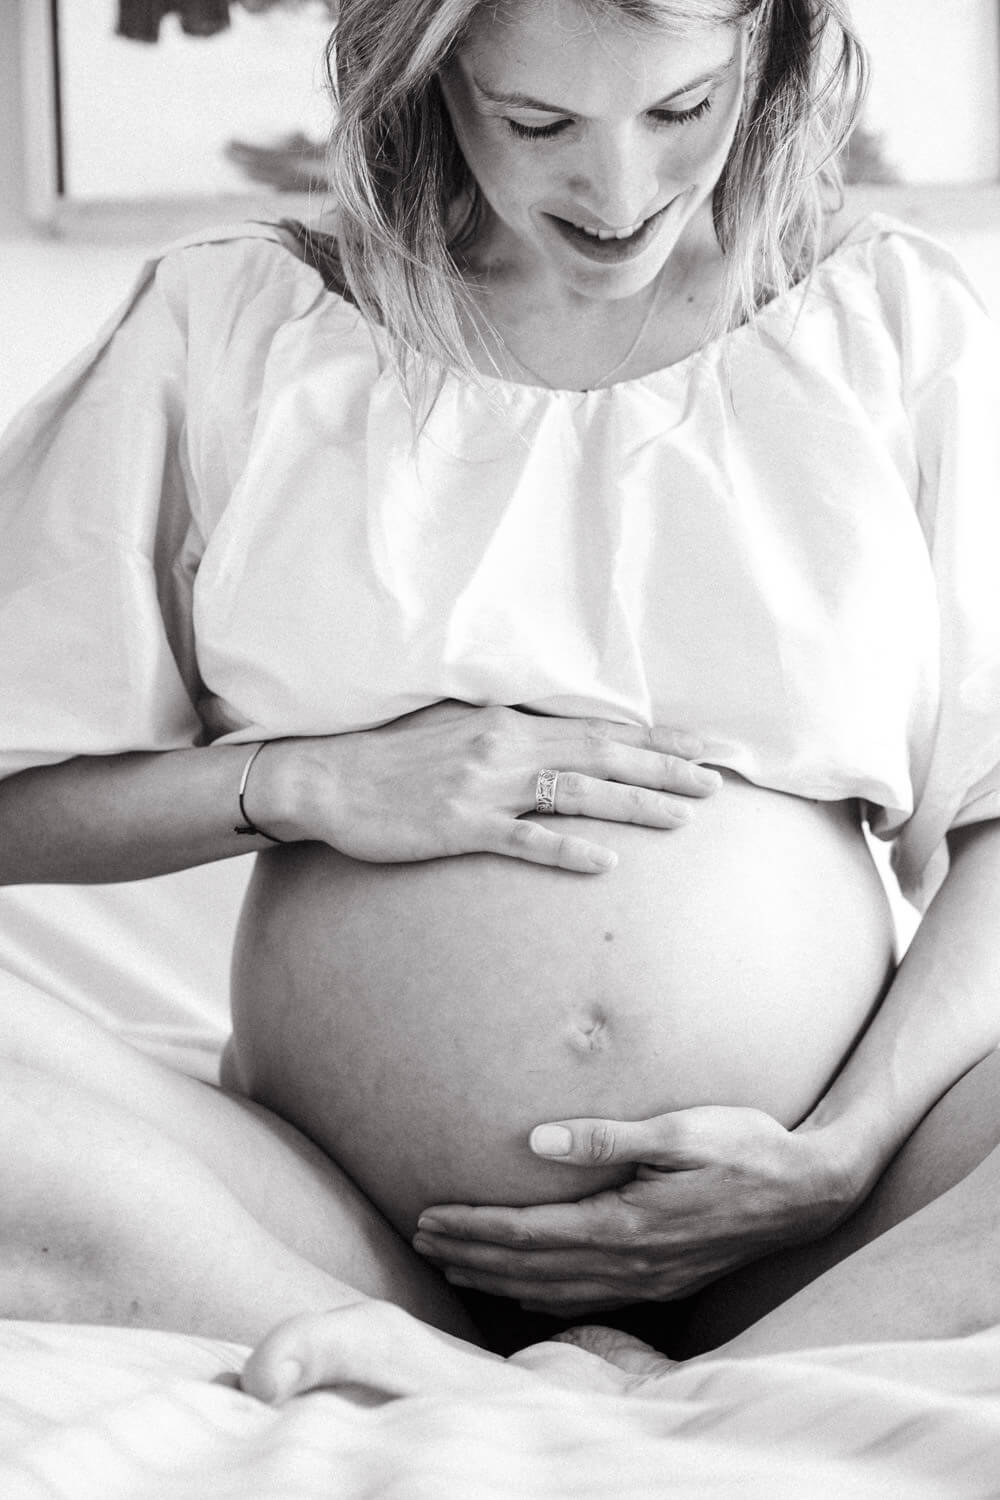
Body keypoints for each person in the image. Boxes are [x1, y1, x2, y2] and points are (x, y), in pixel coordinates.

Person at [1, 0, 999, 1388]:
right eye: (539, 123)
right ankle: (449, 1361)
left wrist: (835, 1158)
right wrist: (304, 784)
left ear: (765, 58)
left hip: (810, 1227)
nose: (619, 191)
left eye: (680, 111)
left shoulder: (885, 319)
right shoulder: (239, 326)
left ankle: (675, 1392)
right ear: (421, 78)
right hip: (335, 1222)